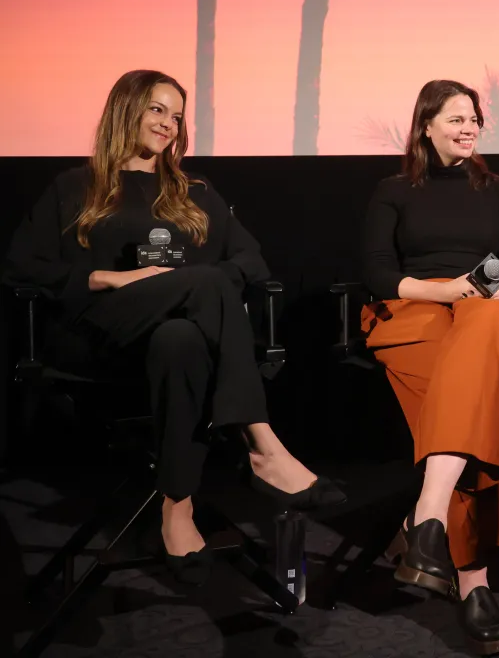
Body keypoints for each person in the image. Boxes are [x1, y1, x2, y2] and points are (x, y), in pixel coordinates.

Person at [3, 70, 345, 587]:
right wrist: (108, 277)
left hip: (180, 341)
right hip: (100, 335)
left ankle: (176, 509)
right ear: (127, 110)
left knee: (181, 336)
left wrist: (201, 287)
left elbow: (250, 260)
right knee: (203, 286)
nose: (168, 123)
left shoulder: (196, 192)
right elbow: (20, 267)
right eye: (157, 109)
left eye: (177, 115)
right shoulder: (75, 187)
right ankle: (261, 442)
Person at [361, 79, 499, 656]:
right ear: (425, 124)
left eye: (474, 119)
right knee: (476, 408)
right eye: (455, 118)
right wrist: (445, 292)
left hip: (490, 315)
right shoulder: (392, 190)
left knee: (483, 327)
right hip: (414, 313)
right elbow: (378, 273)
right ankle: (474, 583)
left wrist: (482, 296)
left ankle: (427, 519)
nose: (468, 128)